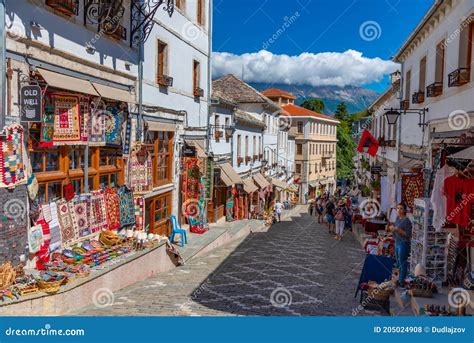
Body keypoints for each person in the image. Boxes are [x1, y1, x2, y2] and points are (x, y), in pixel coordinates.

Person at [387, 203, 412, 287]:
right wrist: (392, 229)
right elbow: (395, 230)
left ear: (404, 210)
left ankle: (401, 281)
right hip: (397, 242)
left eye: (401, 208)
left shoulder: (407, 221)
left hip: (404, 243)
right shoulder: (397, 218)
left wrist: (398, 230)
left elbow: (408, 234)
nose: (399, 210)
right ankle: (400, 278)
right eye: (397, 208)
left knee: (402, 262)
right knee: (398, 262)